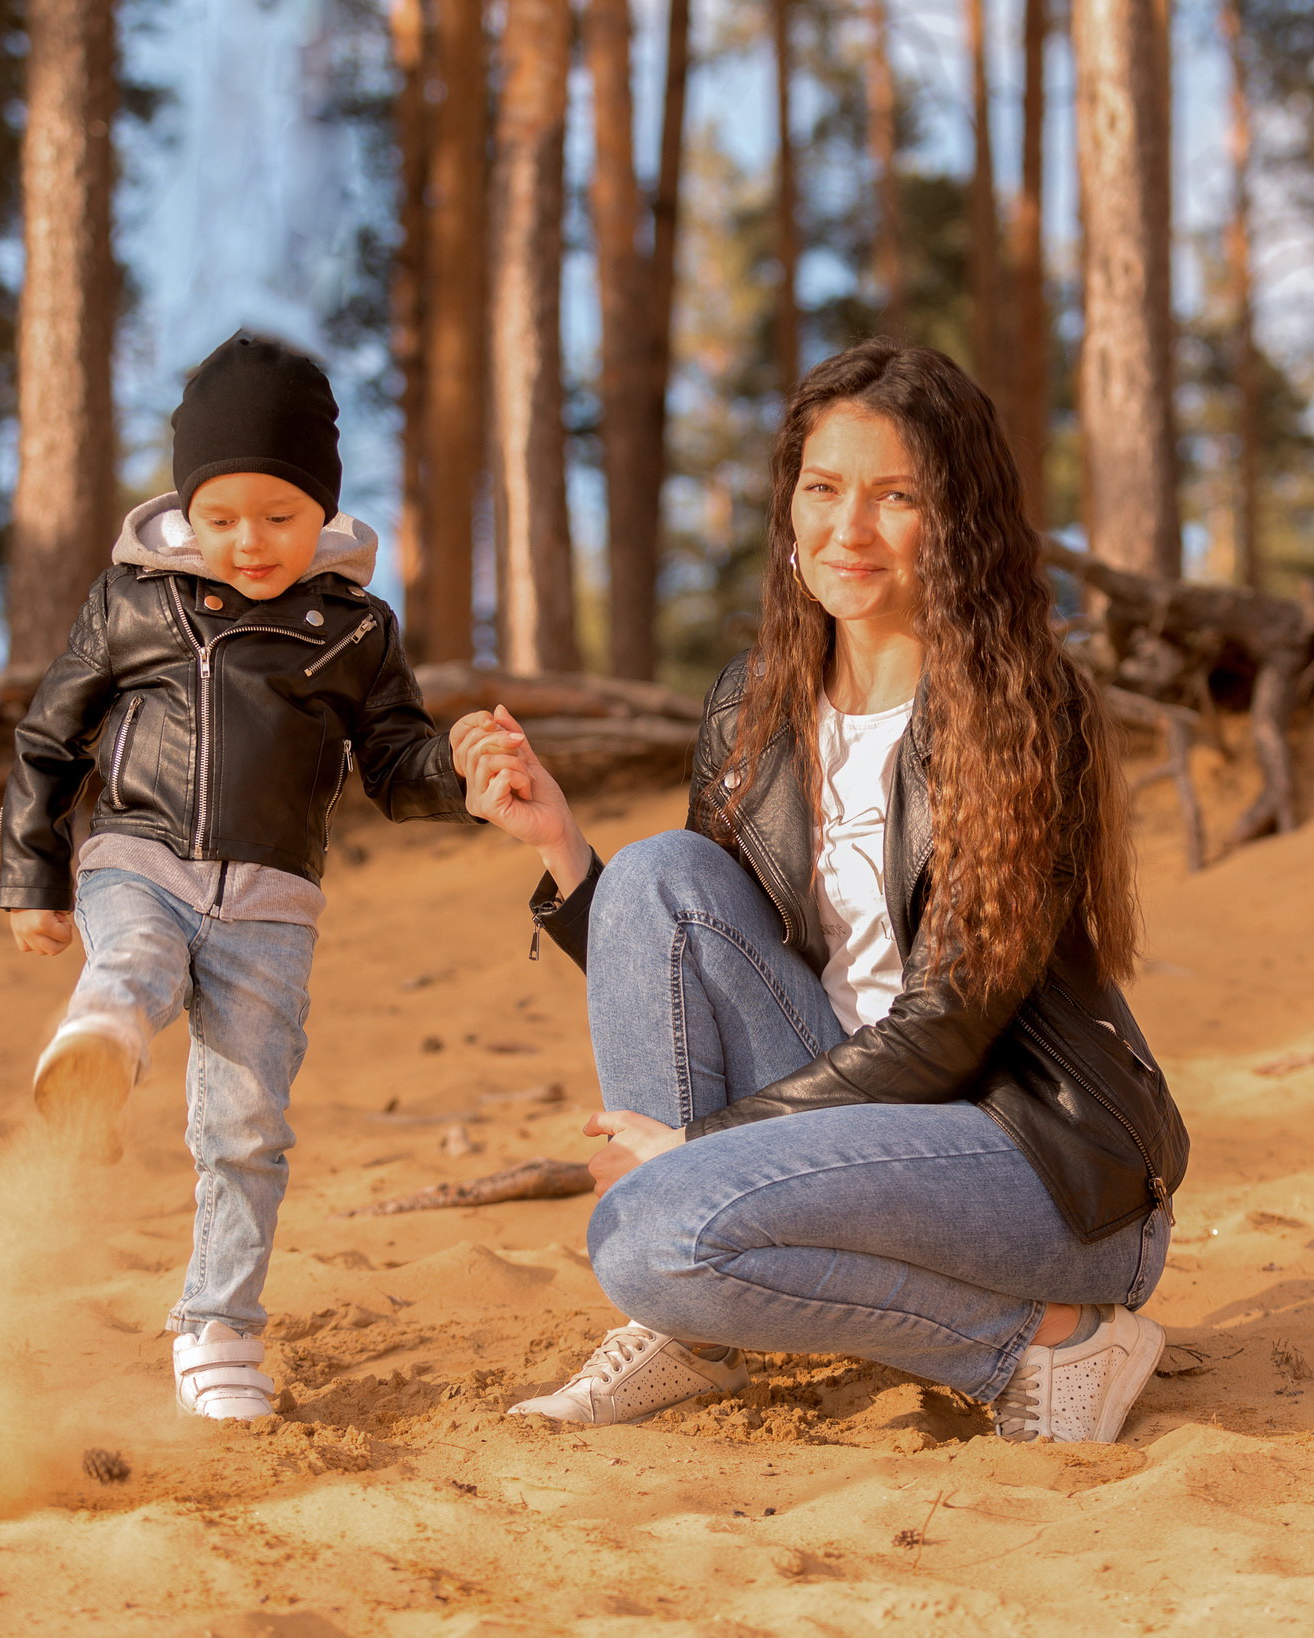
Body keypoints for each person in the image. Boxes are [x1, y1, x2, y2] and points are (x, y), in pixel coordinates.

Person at [453, 339, 1189, 1445]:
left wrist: (705, 1151)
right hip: (840, 1137)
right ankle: (698, 1326)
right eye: (823, 489)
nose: (849, 530)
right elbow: (691, 971)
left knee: (649, 1235)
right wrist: (561, 849)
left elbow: (948, 1025)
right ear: (788, 509)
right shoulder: (754, 706)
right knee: (658, 874)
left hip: (1028, 1164)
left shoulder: (1021, 708)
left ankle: (1048, 1338)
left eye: (897, 496)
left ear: (959, 520)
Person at [0, 331, 471, 1422]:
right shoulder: (133, 602)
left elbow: (398, 762)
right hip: (139, 856)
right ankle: (101, 1047)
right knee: (140, 959)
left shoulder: (352, 629)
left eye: (277, 517)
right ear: (184, 508)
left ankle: (219, 1328)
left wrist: (465, 775)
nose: (247, 542)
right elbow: (48, 738)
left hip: (271, 906)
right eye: (219, 518)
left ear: (324, 514)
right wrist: (33, 874)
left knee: (247, 1128)